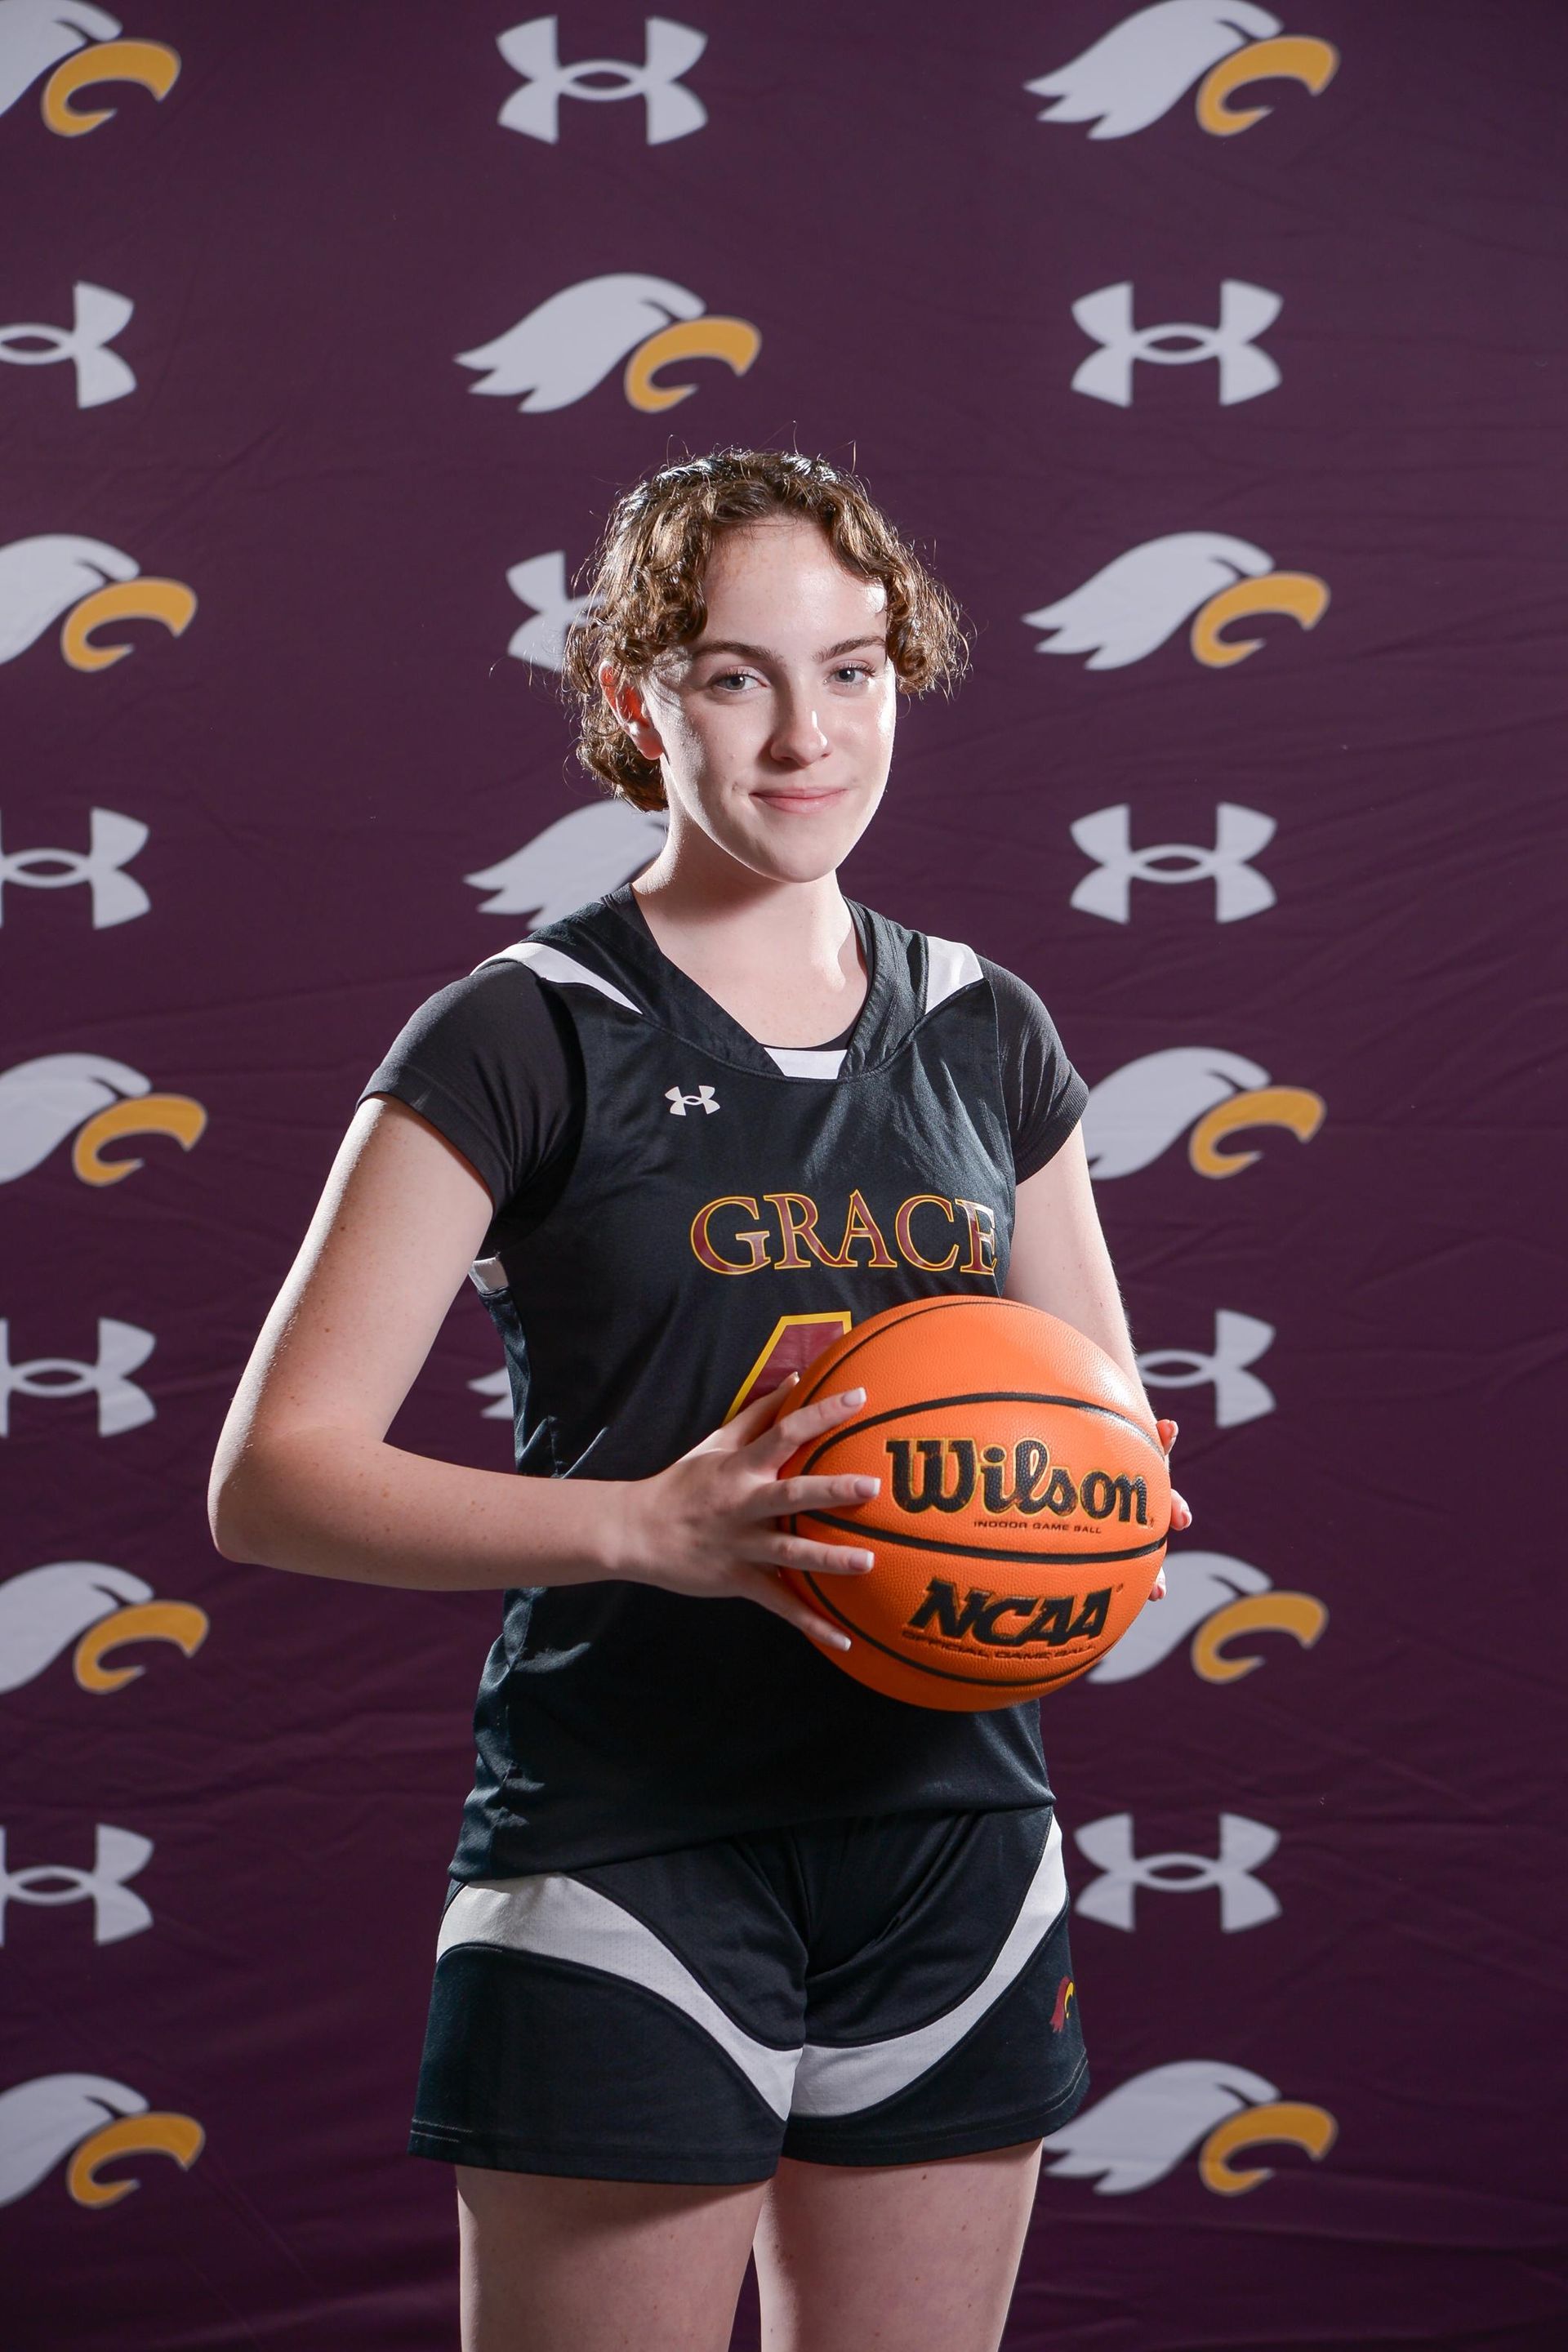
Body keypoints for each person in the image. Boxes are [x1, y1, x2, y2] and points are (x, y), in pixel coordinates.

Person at [208, 447, 1191, 2352]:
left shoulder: (986, 1027)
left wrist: (1095, 1520)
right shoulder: (522, 1030)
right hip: (629, 1837)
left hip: (951, 1839)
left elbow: (1097, 1420)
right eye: (738, 676)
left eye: (853, 670)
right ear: (635, 700)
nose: (807, 734)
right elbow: (276, 1476)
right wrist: (650, 1526)